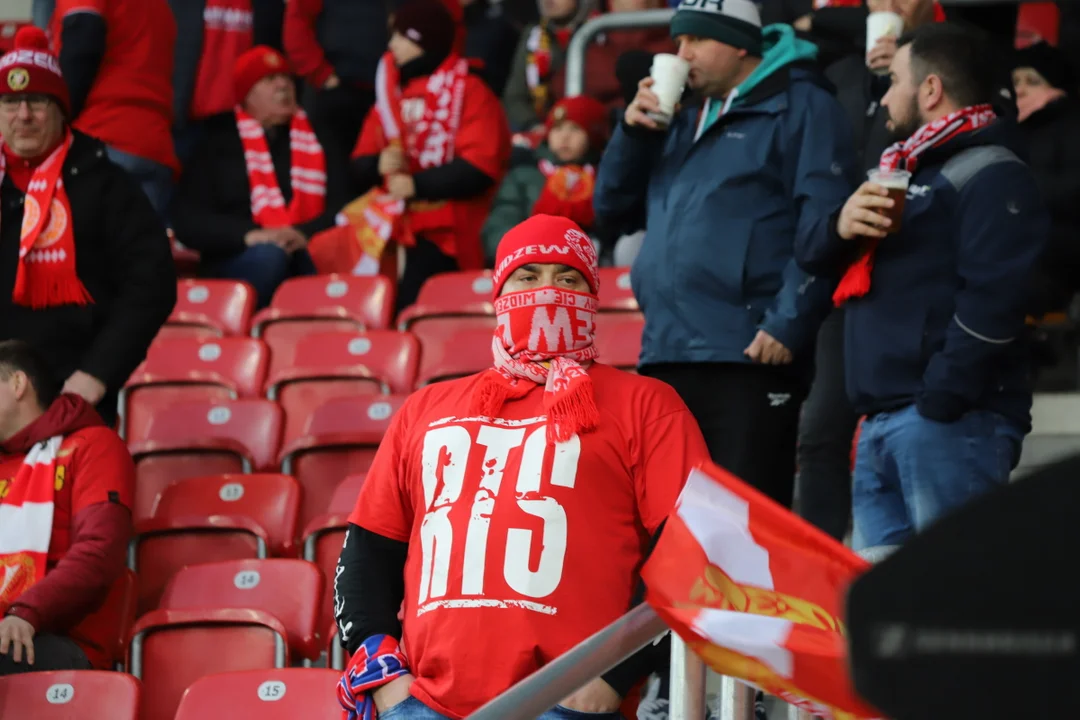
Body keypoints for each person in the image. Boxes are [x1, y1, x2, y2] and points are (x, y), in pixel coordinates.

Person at [334, 214, 709, 720]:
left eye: (568, 277)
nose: (548, 291)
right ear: (499, 290)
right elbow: (367, 553)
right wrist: (386, 681)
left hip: (569, 705)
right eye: (528, 276)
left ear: (593, 293)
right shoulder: (426, 408)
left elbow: (692, 550)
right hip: (422, 706)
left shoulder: (648, 405)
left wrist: (609, 681)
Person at [797, 23, 1049, 561]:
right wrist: (840, 224)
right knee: (892, 630)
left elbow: (996, 301)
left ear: (931, 90)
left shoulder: (993, 172)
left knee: (954, 610)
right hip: (881, 422)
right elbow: (812, 256)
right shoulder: (898, 169)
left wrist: (940, 399)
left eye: (892, 81)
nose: (883, 96)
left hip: (948, 424)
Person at [593, 0, 857, 509]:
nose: (681, 53)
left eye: (695, 40)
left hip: (749, 354)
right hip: (667, 351)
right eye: (678, 41)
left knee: (744, 532)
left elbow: (823, 220)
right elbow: (611, 211)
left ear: (740, 44)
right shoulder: (678, 112)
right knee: (672, 533)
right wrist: (632, 134)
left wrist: (788, 322)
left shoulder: (802, 103)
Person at [0, 28, 177, 428]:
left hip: (72, 401)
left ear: (62, 109)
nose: (23, 115)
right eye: (11, 103)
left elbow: (151, 284)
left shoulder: (106, 184)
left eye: (37, 102)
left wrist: (97, 373)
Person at [351, 0, 510, 312]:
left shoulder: (471, 89)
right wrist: (377, 164)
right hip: (386, 224)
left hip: (448, 228)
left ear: (423, 39)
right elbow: (358, 164)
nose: (391, 44)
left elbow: (479, 167)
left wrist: (415, 185)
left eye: (400, 36)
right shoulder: (390, 95)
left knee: (413, 284)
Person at [172, 46, 351, 309]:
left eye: (286, 78)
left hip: (307, 247)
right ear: (246, 95)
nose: (283, 86)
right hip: (238, 259)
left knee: (316, 257)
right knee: (270, 256)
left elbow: (345, 205)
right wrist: (250, 236)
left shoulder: (319, 138)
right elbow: (188, 222)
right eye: (269, 80)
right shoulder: (216, 144)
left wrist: (302, 234)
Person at [0, 340, 135, 675]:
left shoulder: (93, 446)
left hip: (61, 639)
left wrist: (25, 613)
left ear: (18, 384)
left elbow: (98, 553)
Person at [48, 0, 179, 218]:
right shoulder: (160, 5)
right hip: (153, 145)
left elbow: (82, 44)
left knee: (85, 250)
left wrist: (56, 118)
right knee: (140, 250)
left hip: (101, 140)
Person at [482, 95, 609, 262]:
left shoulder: (606, 176)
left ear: (593, 135)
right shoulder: (525, 176)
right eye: (557, 129)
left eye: (574, 129)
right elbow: (500, 225)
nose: (564, 137)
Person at [1013, 42, 1080, 318]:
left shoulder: (1072, 125)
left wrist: (1019, 195)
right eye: (1015, 80)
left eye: (1033, 81)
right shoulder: (1007, 127)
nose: (1021, 88)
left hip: (1056, 248)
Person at [283, 0, 396, 155]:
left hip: (387, 94)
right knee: (334, 172)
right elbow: (297, 24)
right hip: (334, 93)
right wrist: (320, 74)